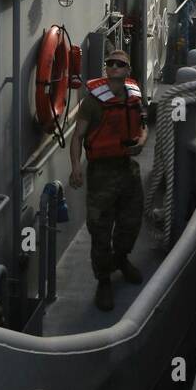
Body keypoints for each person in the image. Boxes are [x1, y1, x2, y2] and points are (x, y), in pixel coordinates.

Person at [68, 48, 149, 312]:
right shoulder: (93, 102)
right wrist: (75, 168)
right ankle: (104, 280)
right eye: (110, 64)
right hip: (101, 172)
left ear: (127, 70)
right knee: (100, 230)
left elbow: (143, 125)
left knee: (131, 221)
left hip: (127, 167)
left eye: (119, 64)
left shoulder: (135, 95)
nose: (113, 67)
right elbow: (78, 136)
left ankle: (122, 258)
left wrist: (142, 141)